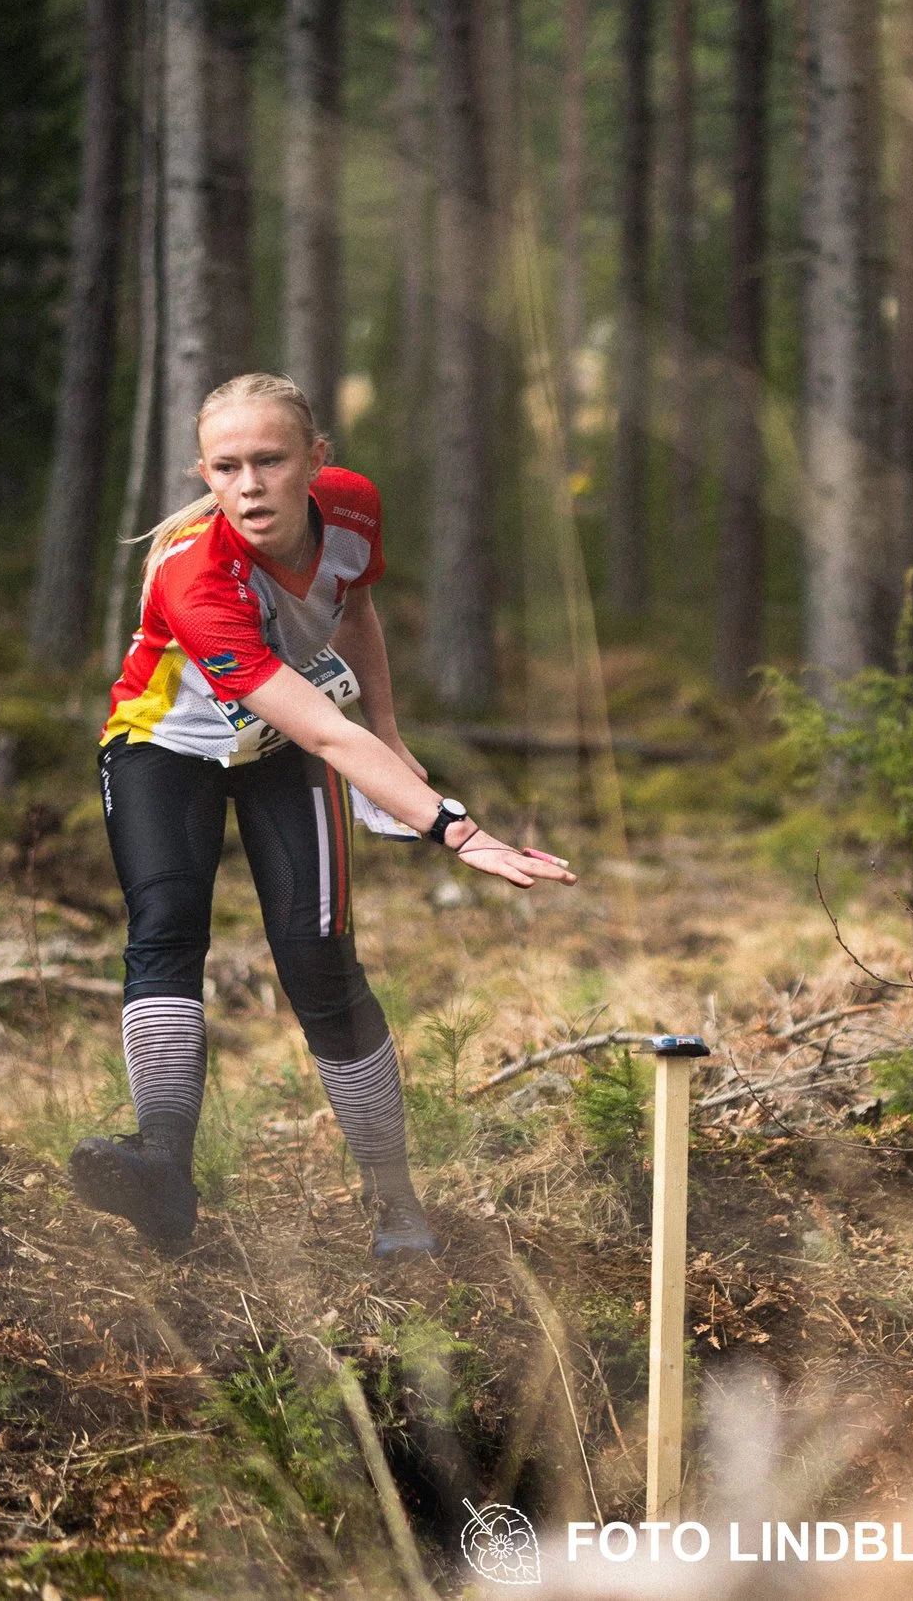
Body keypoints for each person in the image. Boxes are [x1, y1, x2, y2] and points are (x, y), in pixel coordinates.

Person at [75, 372, 575, 1258]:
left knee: (320, 962)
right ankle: (161, 1170)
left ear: (316, 460)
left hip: (281, 743)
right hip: (165, 746)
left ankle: (397, 1205)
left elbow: (357, 612)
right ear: (204, 473)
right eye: (226, 467)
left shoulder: (352, 508)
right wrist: (456, 829)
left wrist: (392, 728)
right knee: (167, 925)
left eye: (270, 460)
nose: (249, 486)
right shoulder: (197, 575)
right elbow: (327, 734)